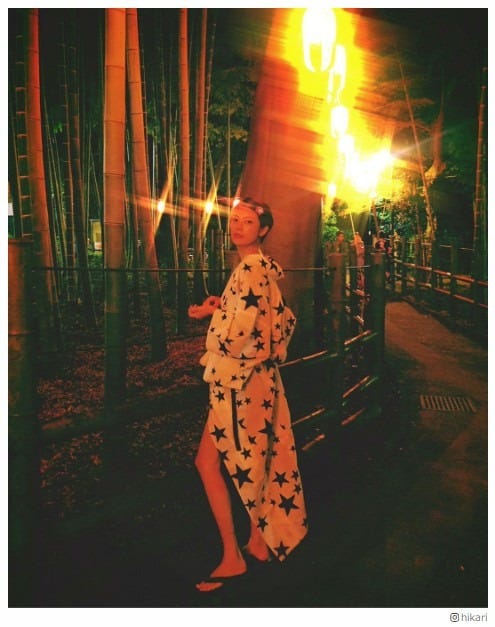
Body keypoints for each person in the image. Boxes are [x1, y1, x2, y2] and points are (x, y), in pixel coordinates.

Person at [188, 196, 308, 593]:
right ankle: (257, 542)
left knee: (212, 463)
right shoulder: (260, 269)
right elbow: (272, 321)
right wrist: (221, 308)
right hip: (259, 382)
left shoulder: (251, 270)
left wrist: (215, 318)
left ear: (264, 229)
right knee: (257, 461)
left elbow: (240, 335)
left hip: (239, 383)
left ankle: (232, 557)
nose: (237, 226)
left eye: (247, 222)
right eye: (234, 220)